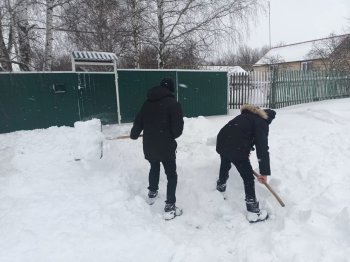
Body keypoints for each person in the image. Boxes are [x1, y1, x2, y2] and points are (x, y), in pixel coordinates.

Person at [130, 78, 184, 220]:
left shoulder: (147, 103)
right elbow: (177, 131)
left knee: (154, 166)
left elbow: (138, 121)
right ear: (171, 89)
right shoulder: (173, 104)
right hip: (165, 146)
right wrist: (168, 135)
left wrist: (134, 134)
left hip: (149, 145)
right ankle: (170, 206)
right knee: (171, 175)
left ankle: (152, 192)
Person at [215, 104, 276, 223]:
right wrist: (264, 172)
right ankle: (253, 211)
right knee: (248, 177)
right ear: (268, 119)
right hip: (235, 147)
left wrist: (245, 149)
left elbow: (239, 133)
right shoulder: (261, 123)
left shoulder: (246, 117)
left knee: (225, 162)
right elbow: (262, 148)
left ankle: (221, 186)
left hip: (222, 144)